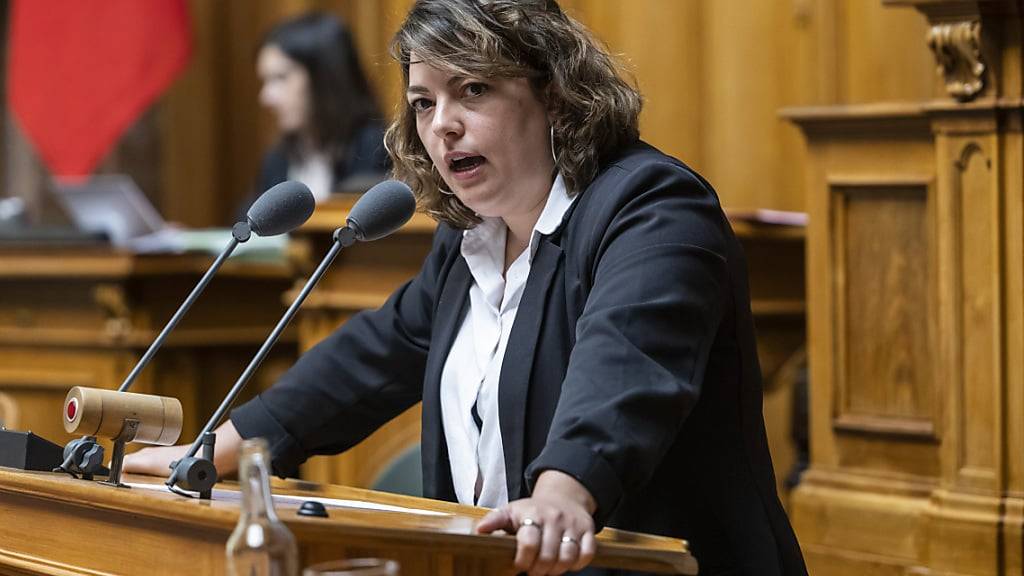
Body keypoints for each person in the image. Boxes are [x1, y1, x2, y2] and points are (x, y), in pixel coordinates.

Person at [127, 1, 808, 574]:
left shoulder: (653, 208)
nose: (441, 124)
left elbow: (628, 362)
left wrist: (564, 489)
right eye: (424, 102)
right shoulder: (471, 240)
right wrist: (215, 449)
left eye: (473, 90)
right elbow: (372, 358)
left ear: (555, 92)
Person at [240, 12, 388, 215]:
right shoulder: (277, 160)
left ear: (324, 78)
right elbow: (244, 226)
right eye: (265, 81)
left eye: (280, 78)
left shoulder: (376, 147)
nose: (266, 97)